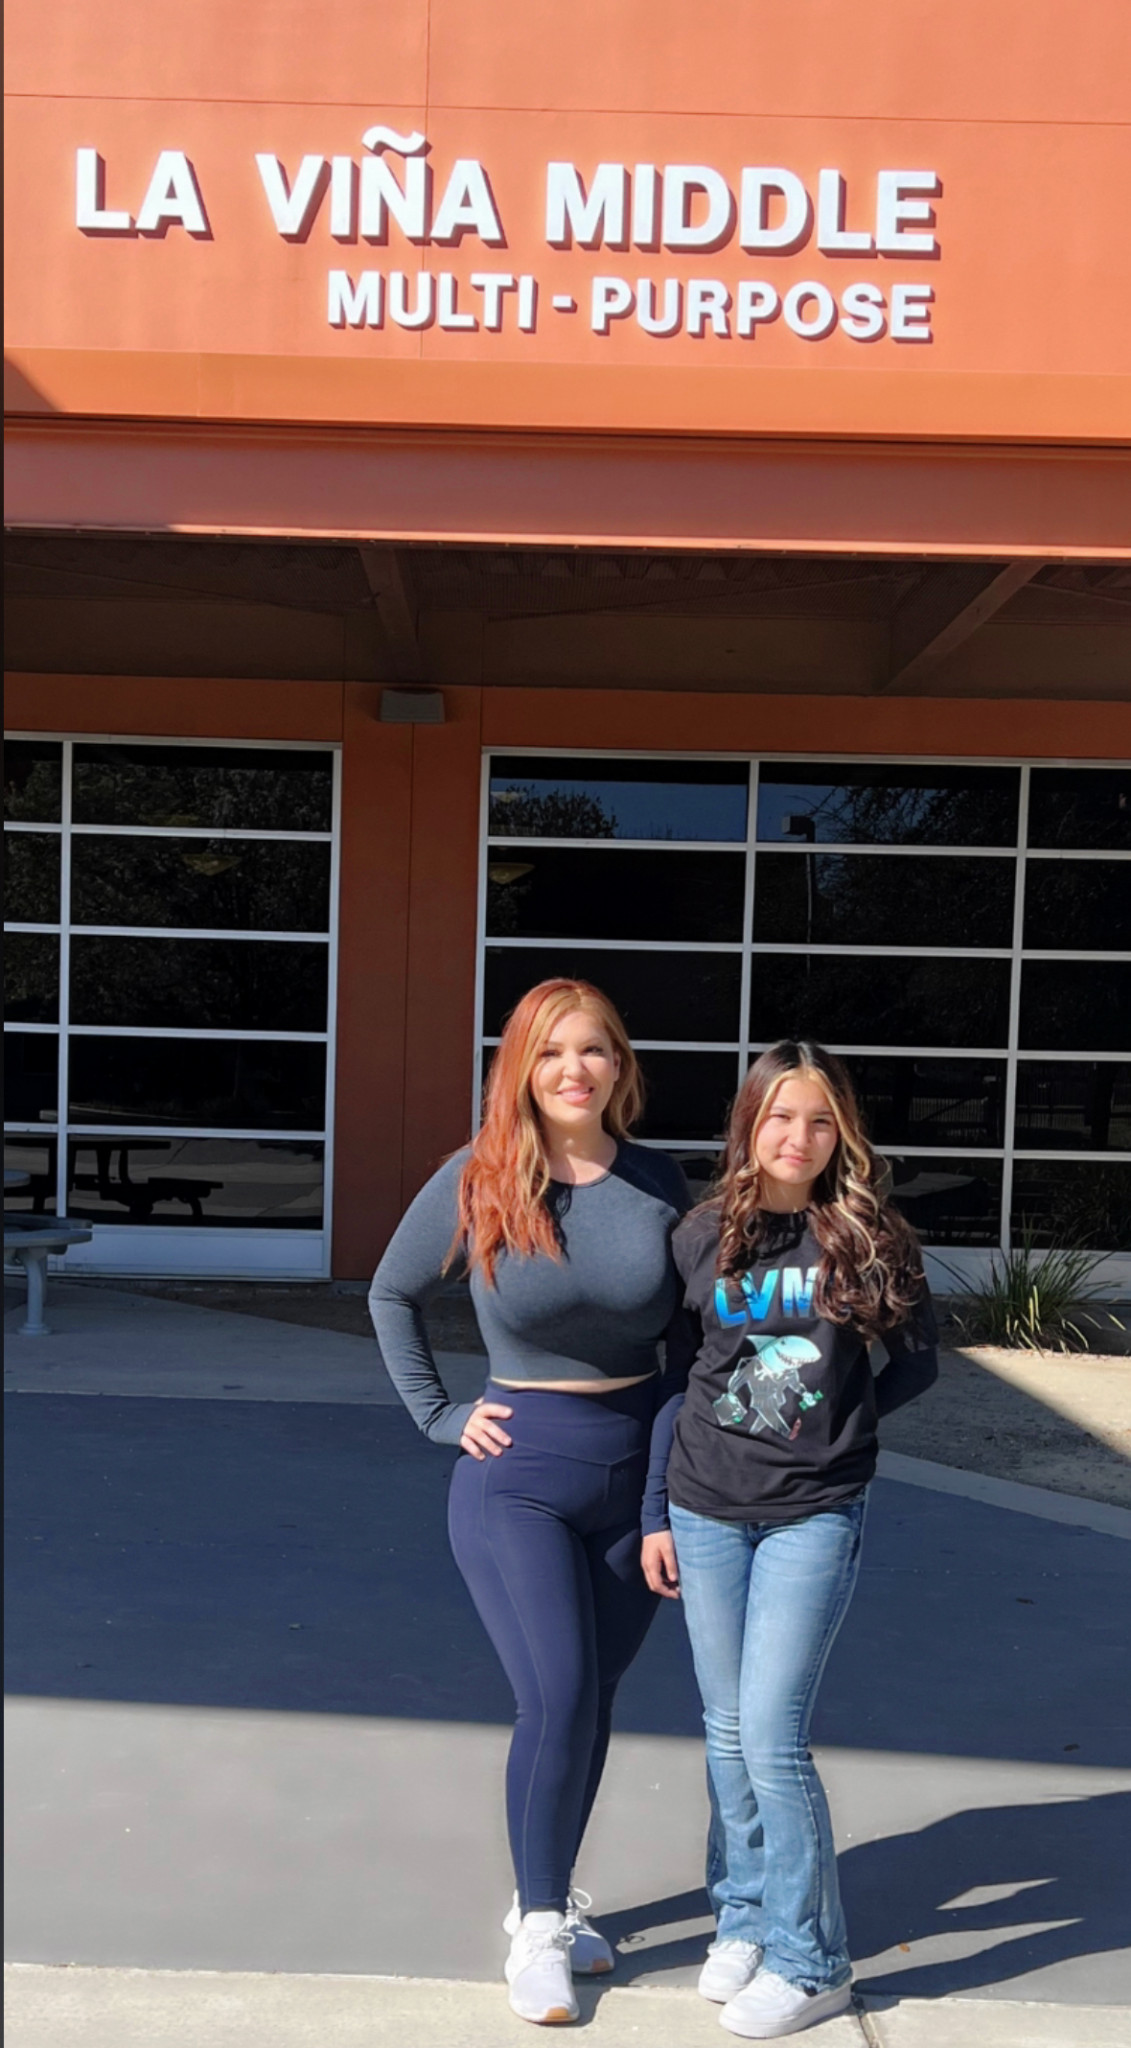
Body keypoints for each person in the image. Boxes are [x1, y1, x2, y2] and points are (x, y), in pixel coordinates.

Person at [370, 978, 692, 2025]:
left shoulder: (657, 1181)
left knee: (593, 1695)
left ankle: (538, 1892)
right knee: (556, 1692)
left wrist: (664, 1497)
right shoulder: (479, 1174)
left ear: (619, 1064)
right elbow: (391, 1292)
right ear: (518, 1066)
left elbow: (686, 1347)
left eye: (593, 1049)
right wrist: (437, 1412)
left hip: (634, 1472)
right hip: (516, 1478)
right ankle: (543, 1926)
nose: (573, 1069)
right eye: (550, 1051)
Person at [641, 1041, 938, 2040]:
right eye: (779, 1116)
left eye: (819, 1120)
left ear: (841, 1132)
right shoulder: (700, 1236)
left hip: (814, 1510)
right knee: (726, 1730)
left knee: (771, 1735)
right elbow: (678, 1379)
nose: (797, 1137)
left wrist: (843, 1423)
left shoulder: (871, 1237)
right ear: (749, 1124)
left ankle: (812, 1962)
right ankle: (744, 1917)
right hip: (704, 1506)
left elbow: (916, 1364)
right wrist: (653, 1511)